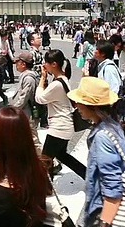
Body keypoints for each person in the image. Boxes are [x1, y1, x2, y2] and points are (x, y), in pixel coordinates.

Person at [67, 77, 125, 227]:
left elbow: (112, 185)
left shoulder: (101, 136)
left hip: (101, 210)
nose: (76, 105)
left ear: (91, 106)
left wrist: (104, 222)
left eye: (79, 102)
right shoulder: (112, 124)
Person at [35, 49, 86, 178]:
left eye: (46, 62)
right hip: (65, 125)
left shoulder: (57, 84)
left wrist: (42, 77)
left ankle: (45, 187)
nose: (44, 65)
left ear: (54, 64)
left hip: (59, 127)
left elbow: (39, 98)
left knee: (45, 160)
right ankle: (89, 176)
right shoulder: (63, 78)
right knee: (62, 156)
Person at [10, 51, 41, 151]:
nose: (16, 65)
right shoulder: (26, 75)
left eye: (17, 62)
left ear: (23, 64)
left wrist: (13, 109)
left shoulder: (29, 78)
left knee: (34, 140)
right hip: (24, 113)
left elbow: (24, 97)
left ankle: (49, 162)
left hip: (28, 114)